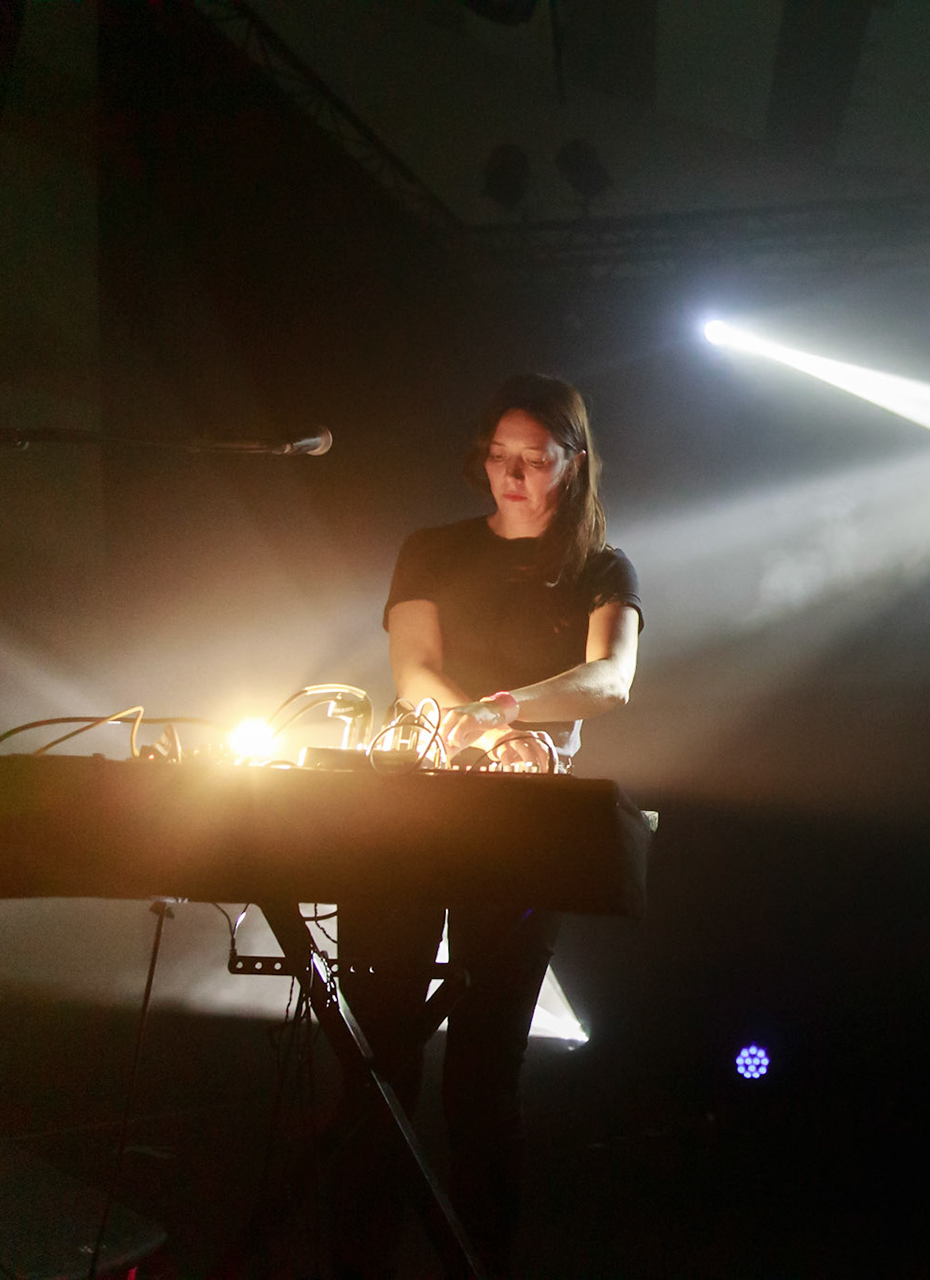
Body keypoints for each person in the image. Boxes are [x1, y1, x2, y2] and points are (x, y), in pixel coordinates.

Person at [335, 373, 641, 1277]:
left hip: (525, 825)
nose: (509, 474)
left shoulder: (604, 568)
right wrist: (465, 725)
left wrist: (510, 713)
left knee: (484, 1065)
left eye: (531, 459)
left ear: (573, 463)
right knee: (377, 1050)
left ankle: (480, 1258)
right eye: (498, 456)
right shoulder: (430, 548)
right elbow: (414, 670)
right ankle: (360, 1254)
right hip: (414, 807)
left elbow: (610, 679)